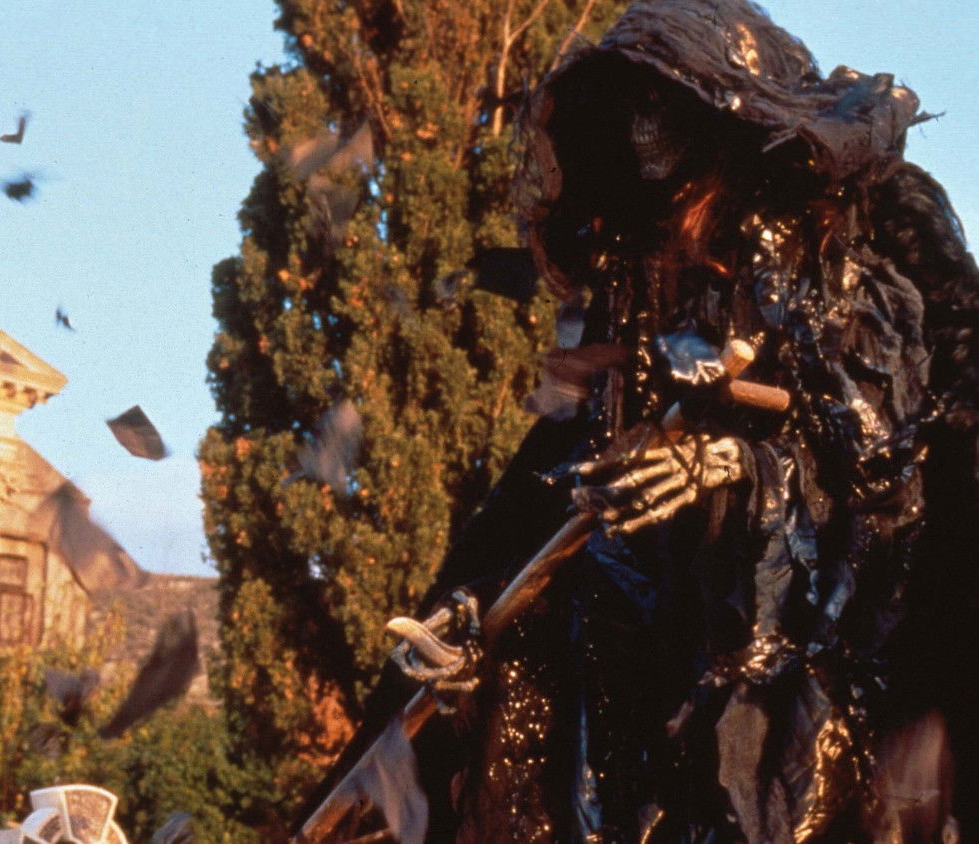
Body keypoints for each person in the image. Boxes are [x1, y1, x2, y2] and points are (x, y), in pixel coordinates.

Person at [319, 1, 979, 840]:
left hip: (834, 629)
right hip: (665, 658)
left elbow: (915, 424)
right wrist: (474, 611)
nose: (642, 126)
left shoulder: (861, 220)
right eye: (628, 104)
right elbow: (562, 482)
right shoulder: (640, 267)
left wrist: (737, 468)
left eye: (662, 100)